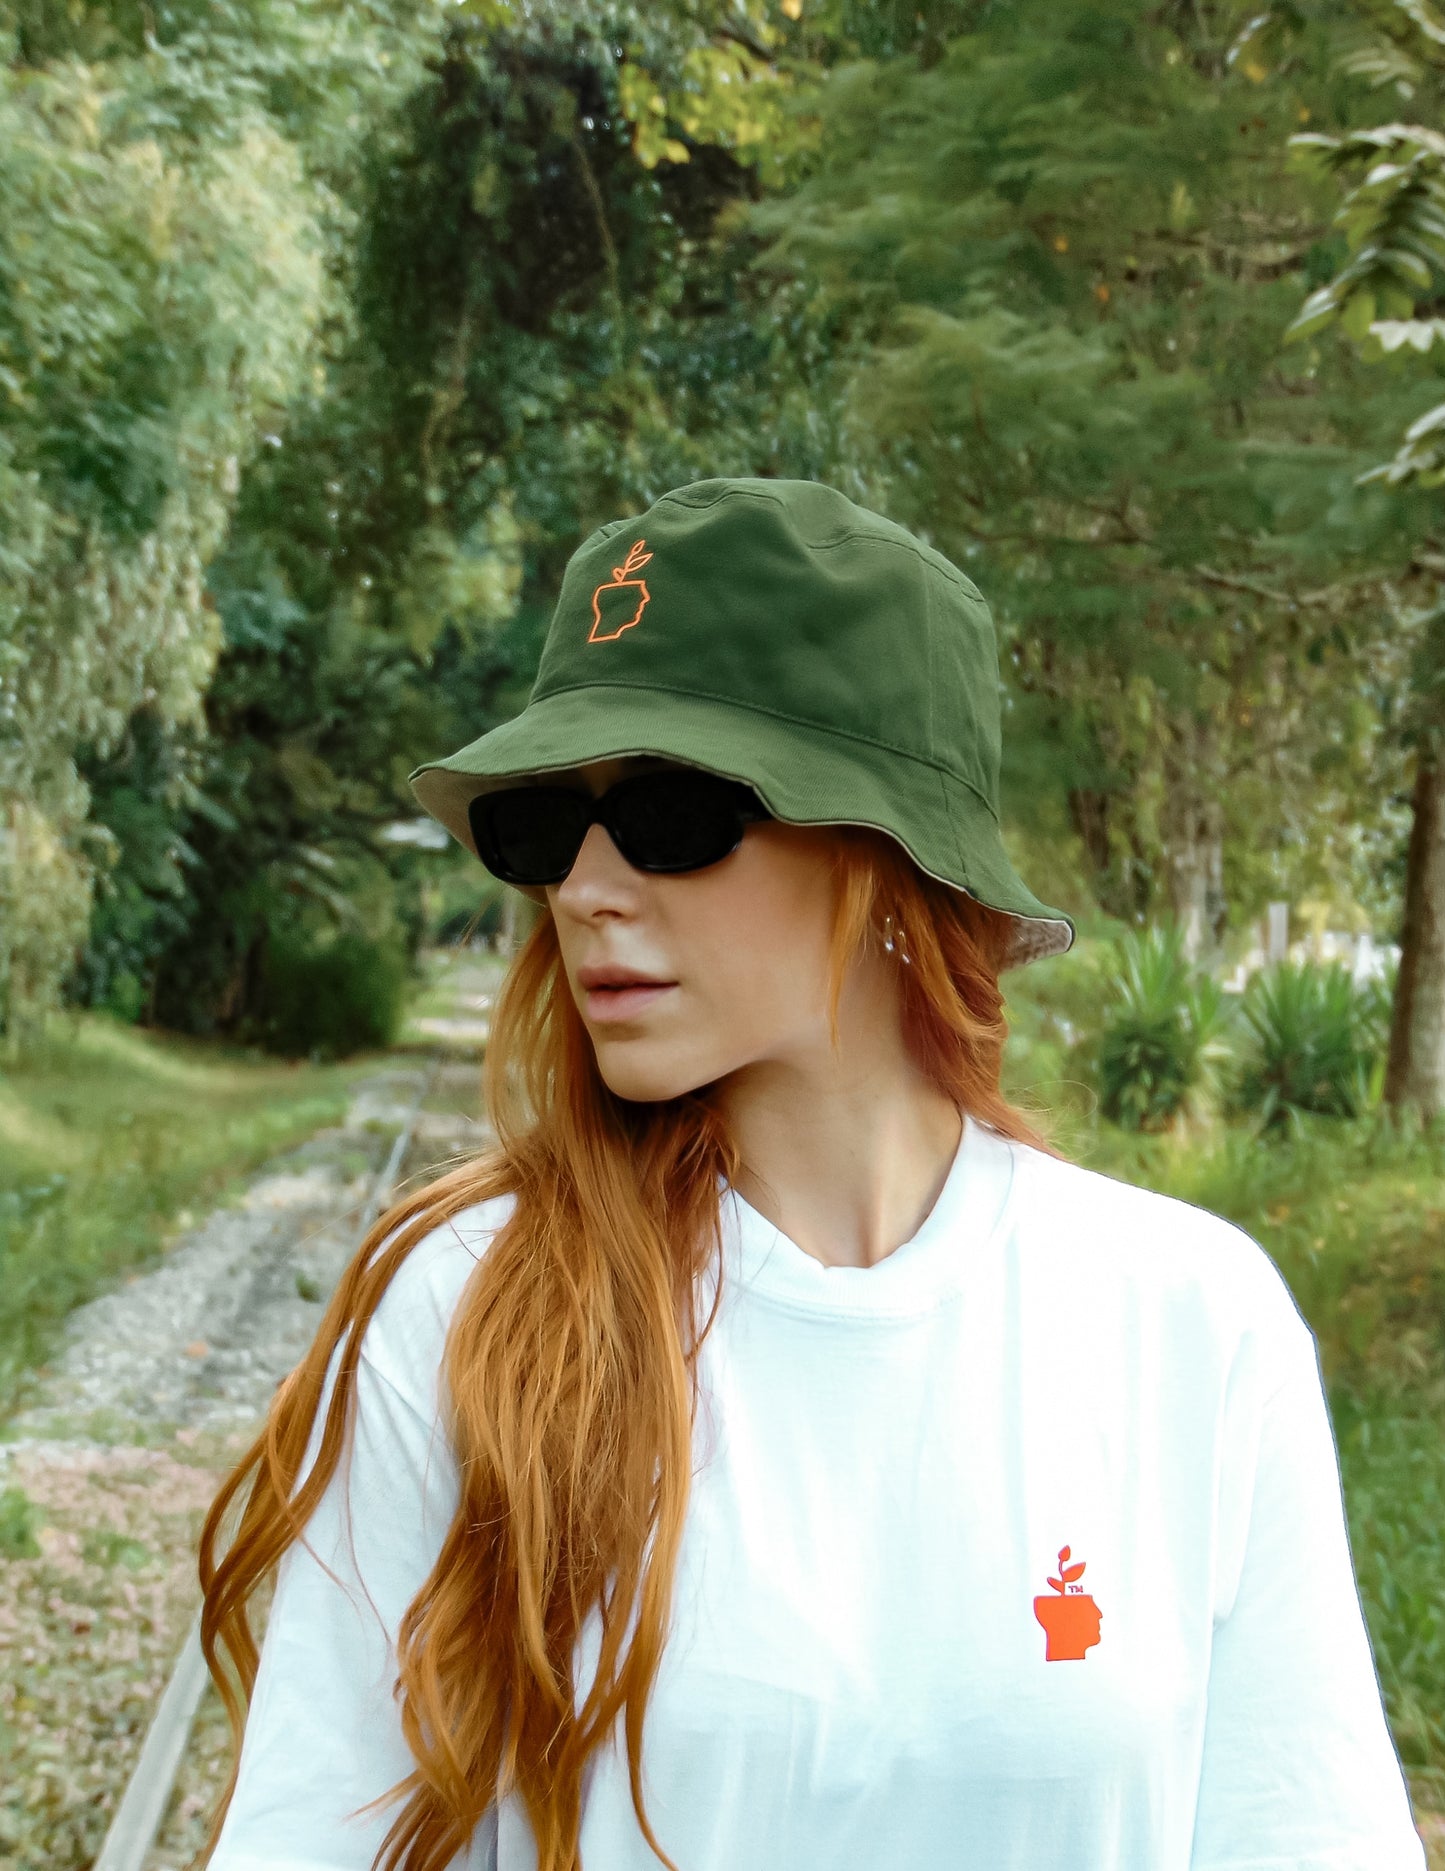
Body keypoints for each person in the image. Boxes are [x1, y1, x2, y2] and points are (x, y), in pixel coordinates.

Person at [198, 478, 1425, 1871]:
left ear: (890, 860)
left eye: (670, 812)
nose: (584, 889)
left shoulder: (1189, 1320)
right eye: (543, 828)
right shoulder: (469, 1311)